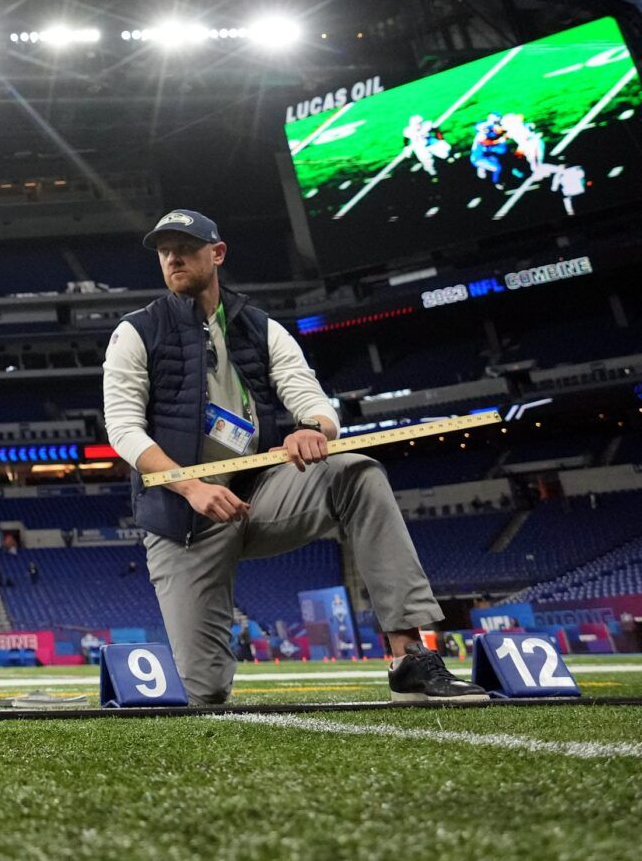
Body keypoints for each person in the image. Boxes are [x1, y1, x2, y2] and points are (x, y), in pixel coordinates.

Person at [101, 208, 486, 705]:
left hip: (261, 497)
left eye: (185, 247)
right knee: (203, 689)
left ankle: (409, 657)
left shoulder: (262, 329)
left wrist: (313, 429)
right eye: (164, 250)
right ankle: (198, 675)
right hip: (186, 517)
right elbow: (123, 430)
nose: (173, 257)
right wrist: (190, 486)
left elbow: (313, 401)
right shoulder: (136, 332)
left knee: (357, 471)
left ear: (216, 254)